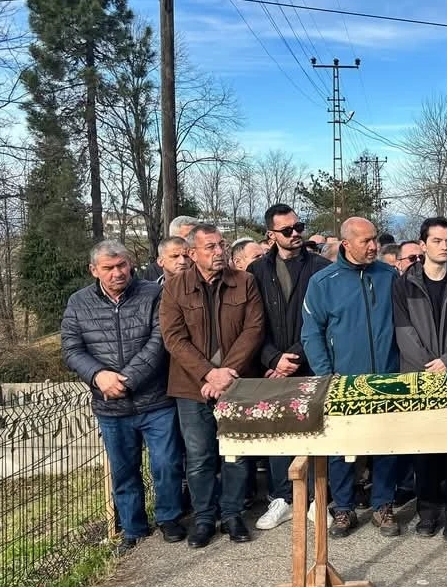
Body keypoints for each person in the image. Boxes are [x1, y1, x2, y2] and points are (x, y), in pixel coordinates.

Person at [61, 240, 184, 554]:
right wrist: (98, 375)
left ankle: (169, 517)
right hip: (110, 405)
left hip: (155, 399)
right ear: (94, 270)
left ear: (130, 264)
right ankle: (133, 529)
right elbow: (72, 349)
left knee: (167, 463)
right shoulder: (78, 302)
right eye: (109, 268)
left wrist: (126, 380)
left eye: (122, 265)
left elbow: (160, 339)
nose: (117, 273)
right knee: (124, 471)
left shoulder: (153, 294)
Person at [160, 224, 264, 549]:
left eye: (222, 245)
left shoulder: (245, 282)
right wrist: (208, 374)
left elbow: (254, 329)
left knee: (236, 452)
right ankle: (204, 517)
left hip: (236, 383)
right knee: (199, 455)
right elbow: (174, 338)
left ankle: (233, 514)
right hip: (192, 387)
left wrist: (226, 374)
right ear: (192, 253)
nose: (219, 252)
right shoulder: (174, 288)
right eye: (211, 247)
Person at [302, 217, 400, 538]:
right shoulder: (323, 282)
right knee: (341, 446)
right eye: (365, 241)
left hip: (387, 377)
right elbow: (312, 333)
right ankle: (343, 507)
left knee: (386, 444)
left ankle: (383, 504)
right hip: (343, 380)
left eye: (374, 239)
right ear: (346, 244)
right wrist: (325, 374)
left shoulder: (388, 275)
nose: (373, 246)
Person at [248, 204, 331, 531]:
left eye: (299, 227)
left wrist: (293, 357)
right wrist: (272, 359)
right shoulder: (256, 271)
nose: (296, 233)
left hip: (309, 363)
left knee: (312, 430)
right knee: (277, 431)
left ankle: (315, 498)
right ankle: (282, 498)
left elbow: (323, 322)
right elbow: (252, 323)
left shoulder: (321, 268)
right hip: (271, 367)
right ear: (271, 235)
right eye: (287, 230)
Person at [393, 217, 447, 540]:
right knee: (423, 448)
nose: (444, 246)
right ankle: (427, 512)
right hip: (418, 375)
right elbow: (403, 331)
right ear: (423, 245)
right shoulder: (404, 284)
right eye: (437, 241)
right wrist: (429, 365)